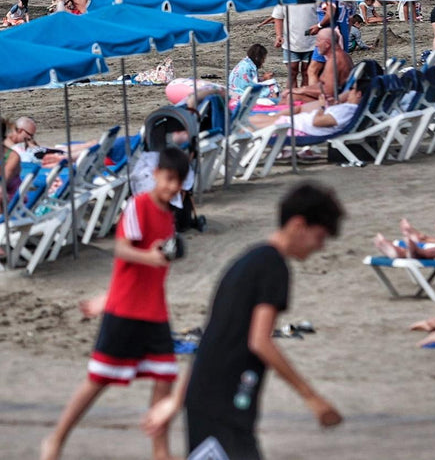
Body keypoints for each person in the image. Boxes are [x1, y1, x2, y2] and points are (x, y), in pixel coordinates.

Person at [142, 182, 344, 459]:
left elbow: (213, 336)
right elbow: (260, 341)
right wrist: (311, 397)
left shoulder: (248, 260)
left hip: (210, 397)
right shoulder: (273, 268)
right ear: (299, 225)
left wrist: (177, 401)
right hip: (223, 403)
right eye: (319, 237)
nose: (320, 247)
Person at [40, 149, 190, 460]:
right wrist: (147, 257)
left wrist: (105, 297)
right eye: (169, 178)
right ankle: (54, 441)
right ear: (157, 174)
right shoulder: (139, 205)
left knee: (165, 377)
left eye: (179, 181)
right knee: (97, 381)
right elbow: (121, 250)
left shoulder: (167, 217)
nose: (173, 186)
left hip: (155, 310)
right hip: (126, 311)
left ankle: (160, 452)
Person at [270, 3, 317, 89]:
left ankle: (304, 97)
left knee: (307, 72)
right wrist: (278, 35)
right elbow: (278, 17)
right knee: (292, 72)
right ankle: (291, 98)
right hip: (290, 43)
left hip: (312, 43)